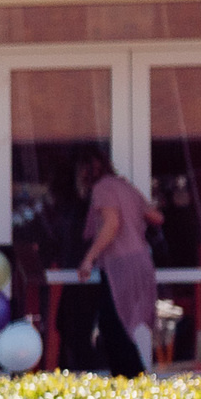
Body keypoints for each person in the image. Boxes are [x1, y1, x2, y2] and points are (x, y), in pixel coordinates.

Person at [74, 147, 158, 376]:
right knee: (117, 326)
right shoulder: (124, 186)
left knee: (113, 327)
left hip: (120, 264)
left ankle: (133, 382)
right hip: (140, 261)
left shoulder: (103, 188)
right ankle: (132, 381)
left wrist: (88, 259)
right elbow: (156, 216)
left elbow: (111, 225)